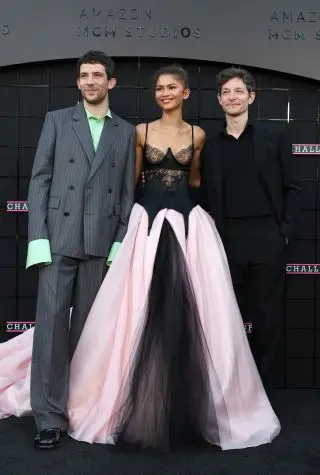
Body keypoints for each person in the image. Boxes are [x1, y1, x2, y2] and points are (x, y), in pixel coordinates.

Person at [0, 64, 280, 451]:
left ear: (186, 94)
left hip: (187, 227)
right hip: (143, 226)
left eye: (172, 88)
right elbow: (127, 183)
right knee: (129, 314)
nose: (165, 93)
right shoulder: (138, 132)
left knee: (198, 314)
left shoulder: (199, 136)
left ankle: (200, 400)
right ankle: (71, 402)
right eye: (160, 88)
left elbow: (197, 180)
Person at [1, 50, 135, 449]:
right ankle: (49, 418)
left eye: (97, 75)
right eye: (83, 76)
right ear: (78, 82)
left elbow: (127, 195)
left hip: (100, 243)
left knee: (89, 336)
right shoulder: (57, 121)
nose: (90, 81)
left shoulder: (125, 131)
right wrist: (38, 240)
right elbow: (39, 182)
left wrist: (117, 245)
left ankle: (85, 408)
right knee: (51, 333)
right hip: (58, 242)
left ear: (111, 82)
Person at [201, 67, 301, 389]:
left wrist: (284, 232)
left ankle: (264, 390)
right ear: (219, 100)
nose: (233, 97)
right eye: (226, 92)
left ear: (251, 97)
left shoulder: (274, 137)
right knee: (224, 318)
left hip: (266, 239)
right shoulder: (210, 144)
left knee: (267, 319)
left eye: (239, 91)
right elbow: (203, 193)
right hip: (225, 240)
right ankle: (229, 389)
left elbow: (293, 188)